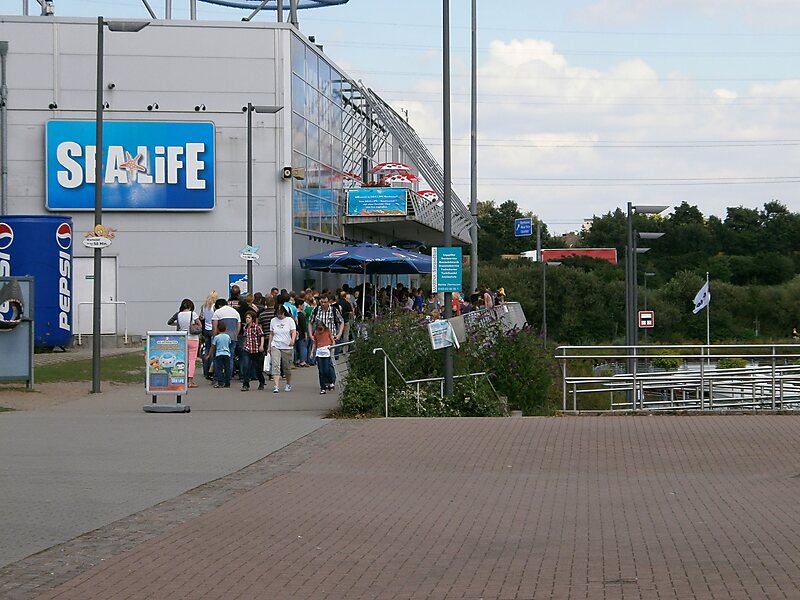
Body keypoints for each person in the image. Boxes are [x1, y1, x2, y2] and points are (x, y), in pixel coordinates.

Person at [268, 304, 297, 393]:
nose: (279, 315)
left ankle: (288, 383)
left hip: (287, 346)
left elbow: (293, 331)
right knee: (275, 365)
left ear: (284, 312)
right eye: (277, 313)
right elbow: (271, 333)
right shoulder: (273, 321)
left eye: (280, 313)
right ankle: (276, 385)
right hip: (276, 345)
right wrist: (269, 345)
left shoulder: (289, 320)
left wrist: (292, 340)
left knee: (287, 367)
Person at [212, 298, 241, 380]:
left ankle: (218, 377)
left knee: (218, 358)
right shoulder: (235, 312)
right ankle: (228, 377)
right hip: (233, 337)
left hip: (220, 338)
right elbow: (238, 325)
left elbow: (214, 326)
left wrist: (214, 337)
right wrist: (236, 335)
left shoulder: (217, 312)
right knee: (230, 357)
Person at [175, 298, 202, 388]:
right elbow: (200, 325)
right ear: (191, 306)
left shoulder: (179, 315)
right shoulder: (192, 314)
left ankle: (182, 379)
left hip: (182, 338)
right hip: (193, 338)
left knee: (183, 360)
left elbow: (170, 322)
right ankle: (190, 381)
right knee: (192, 360)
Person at [240, 311, 265, 391]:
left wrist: (261, 345)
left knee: (257, 367)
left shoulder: (257, 327)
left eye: (249, 318)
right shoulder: (245, 328)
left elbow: (262, 336)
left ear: (253, 319)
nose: (247, 319)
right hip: (247, 349)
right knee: (246, 366)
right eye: (246, 318)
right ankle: (246, 384)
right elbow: (245, 337)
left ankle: (261, 381)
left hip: (255, 349)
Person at [311, 322, 336, 394]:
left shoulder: (327, 331)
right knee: (321, 371)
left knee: (327, 370)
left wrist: (333, 349)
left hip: (327, 352)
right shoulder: (316, 333)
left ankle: (330, 381)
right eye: (318, 330)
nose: (320, 331)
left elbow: (332, 341)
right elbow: (314, 343)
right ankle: (323, 387)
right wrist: (312, 352)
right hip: (319, 352)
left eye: (321, 329)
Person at [207, 321, 232, 388]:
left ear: (217, 329)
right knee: (227, 368)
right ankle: (227, 382)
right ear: (225, 328)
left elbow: (213, 347)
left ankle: (220, 382)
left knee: (219, 369)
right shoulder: (227, 336)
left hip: (219, 354)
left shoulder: (216, 337)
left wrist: (209, 354)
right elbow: (229, 344)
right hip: (227, 354)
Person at [200, 291, 218, 381]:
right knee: (213, 351)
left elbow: (201, 317)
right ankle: (211, 371)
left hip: (206, 330)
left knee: (206, 350)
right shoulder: (214, 307)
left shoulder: (204, 306)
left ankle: (205, 371)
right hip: (212, 329)